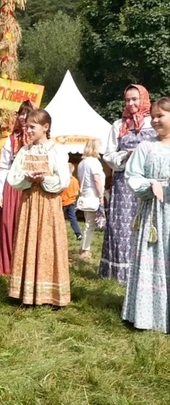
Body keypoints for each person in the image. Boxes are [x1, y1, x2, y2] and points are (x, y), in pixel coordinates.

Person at [7, 109, 71, 307]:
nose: (28, 130)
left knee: (48, 243)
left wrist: (44, 178)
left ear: (45, 127)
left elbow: (64, 181)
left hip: (49, 203)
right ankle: (27, 293)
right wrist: (26, 179)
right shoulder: (25, 151)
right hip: (29, 202)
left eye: (32, 127)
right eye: (27, 127)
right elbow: (12, 178)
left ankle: (50, 294)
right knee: (29, 240)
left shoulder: (56, 150)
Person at [99, 85, 157, 285]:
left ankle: (145, 270)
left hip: (147, 181)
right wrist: (126, 155)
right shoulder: (118, 125)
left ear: (144, 99)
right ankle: (119, 273)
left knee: (147, 223)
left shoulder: (154, 122)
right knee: (121, 226)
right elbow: (107, 154)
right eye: (128, 100)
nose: (131, 104)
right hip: (124, 183)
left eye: (135, 99)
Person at [122, 97, 170, 333]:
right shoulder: (146, 147)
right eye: (153, 116)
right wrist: (151, 185)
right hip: (154, 212)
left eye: (161, 115)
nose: (156, 120)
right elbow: (132, 175)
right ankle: (147, 316)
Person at [0, 100, 34, 276]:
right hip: (13, 187)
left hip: (33, 186)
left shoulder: (39, 141)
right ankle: (9, 267)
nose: (23, 117)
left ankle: (29, 267)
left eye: (27, 113)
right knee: (10, 225)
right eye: (21, 113)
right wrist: (0, 193)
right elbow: (3, 167)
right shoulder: (11, 140)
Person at [77, 139, 105, 258]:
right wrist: (101, 196)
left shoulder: (82, 163)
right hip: (93, 194)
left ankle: (84, 247)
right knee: (91, 224)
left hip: (85, 193)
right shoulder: (94, 162)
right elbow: (97, 179)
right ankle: (85, 249)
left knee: (88, 222)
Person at [60, 163, 82, 240]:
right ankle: (78, 233)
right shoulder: (75, 180)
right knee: (73, 218)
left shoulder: (64, 180)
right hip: (72, 202)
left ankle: (60, 232)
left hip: (62, 202)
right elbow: (77, 192)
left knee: (60, 219)